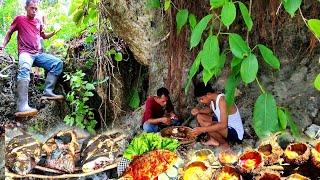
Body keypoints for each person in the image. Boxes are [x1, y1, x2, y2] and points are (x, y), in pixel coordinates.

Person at [0, 0, 64, 117]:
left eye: (36, 9)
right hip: (26, 53)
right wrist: (3, 46)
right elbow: (9, 32)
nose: (34, 11)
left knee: (57, 63)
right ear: (26, 8)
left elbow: (43, 36)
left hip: (38, 54)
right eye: (32, 8)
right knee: (24, 68)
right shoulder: (19, 19)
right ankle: (22, 106)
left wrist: (54, 32)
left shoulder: (38, 21)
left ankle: (48, 92)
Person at [191, 82, 244, 148]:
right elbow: (210, 110)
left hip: (235, 132)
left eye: (202, 99)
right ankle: (214, 140)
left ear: (208, 94)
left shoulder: (222, 101)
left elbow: (223, 125)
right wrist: (198, 111)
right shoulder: (213, 99)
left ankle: (224, 144)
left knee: (209, 126)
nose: (201, 101)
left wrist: (202, 129)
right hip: (225, 127)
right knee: (200, 116)